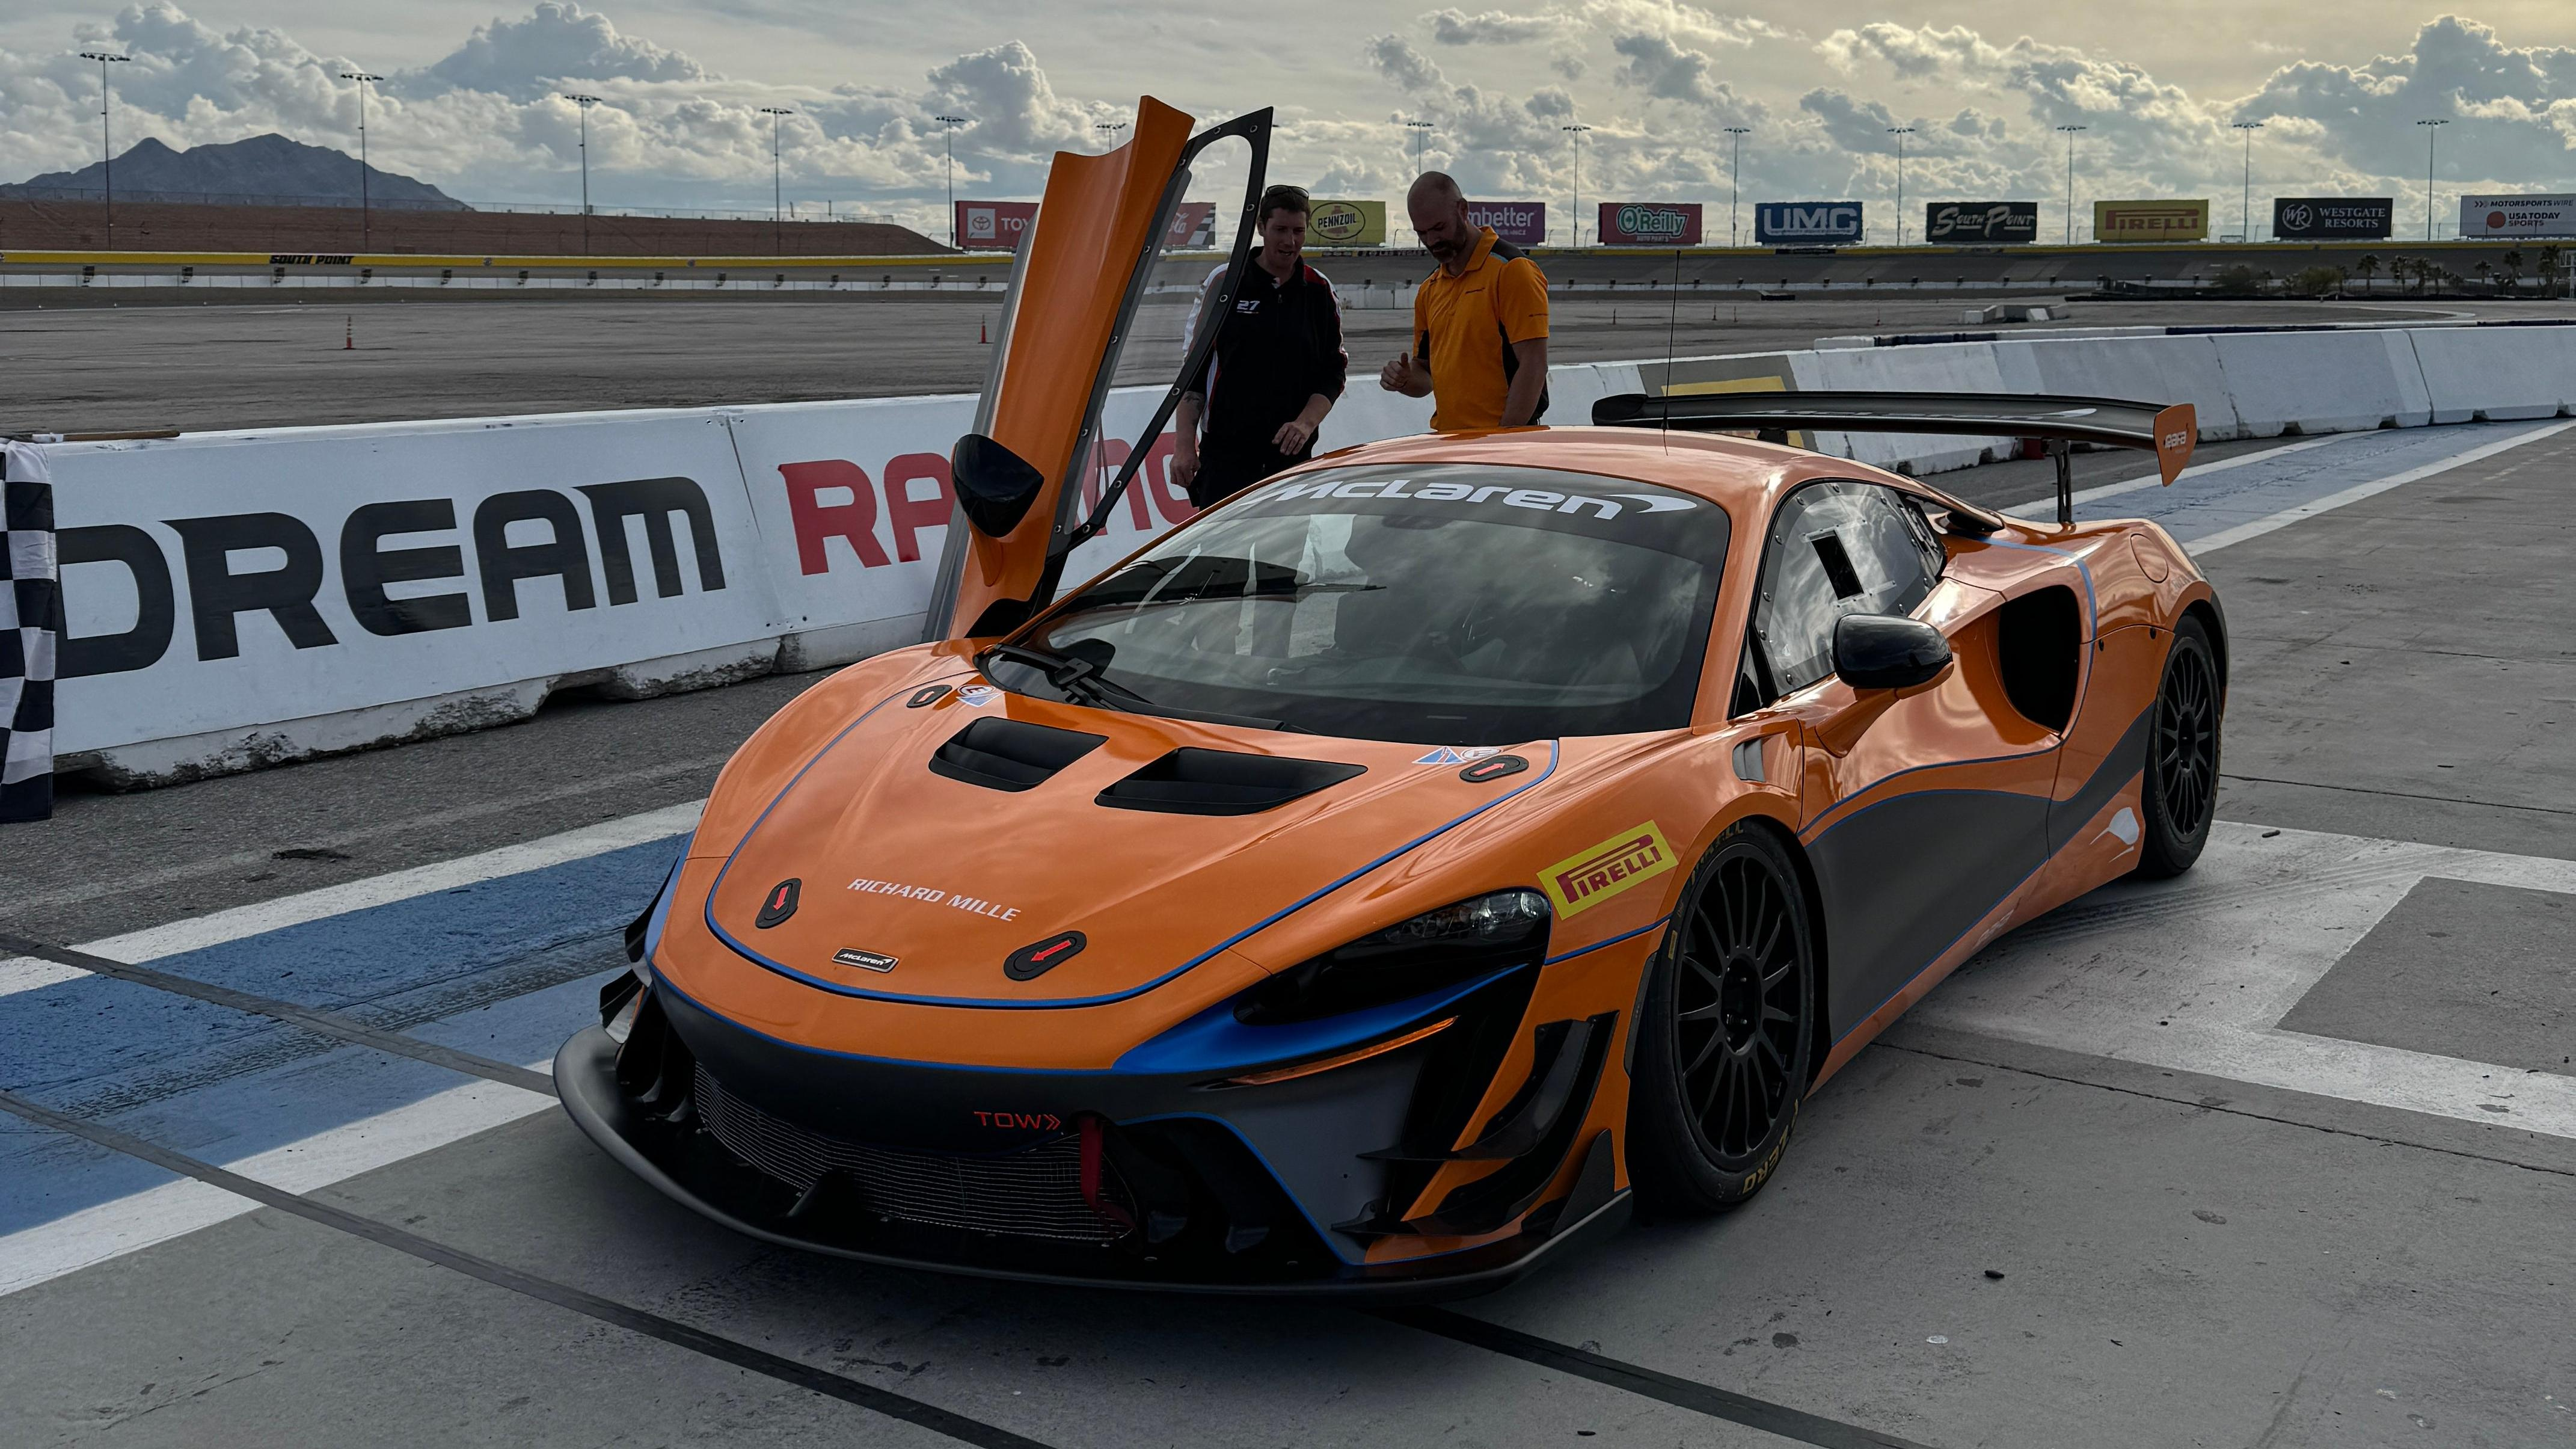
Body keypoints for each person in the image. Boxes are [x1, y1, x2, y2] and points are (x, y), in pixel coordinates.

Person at [1171, 185, 1349, 508]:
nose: (1290, 241)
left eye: (1298, 231)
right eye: (1280, 230)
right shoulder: (1224, 282)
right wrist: (1184, 445)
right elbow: (1193, 374)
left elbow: (1333, 372)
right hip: (1226, 455)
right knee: (1219, 557)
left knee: (1285, 555)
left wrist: (1305, 424)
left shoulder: (1319, 290)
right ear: (1262, 227)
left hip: (1291, 457)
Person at [1378, 172, 1550, 431]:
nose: (1432, 241)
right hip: (1449, 442)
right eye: (1422, 233)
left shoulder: (1512, 270)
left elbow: (1534, 365)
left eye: (1439, 228)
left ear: (1463, 210)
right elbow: (1425, 376)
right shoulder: (1430, 289)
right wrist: (1404, 380)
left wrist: (1501, 441)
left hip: (1504, 443)